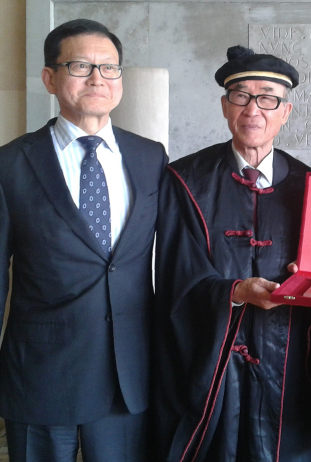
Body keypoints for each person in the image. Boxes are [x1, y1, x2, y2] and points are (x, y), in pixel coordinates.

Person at [152, 46, 311, 462]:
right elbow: (177, 275)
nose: (253, 109)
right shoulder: (185, 181)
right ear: (225, 105)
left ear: (286, 111)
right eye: (241, 96)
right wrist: (236, 291)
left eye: (268, 98)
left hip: (289, 361)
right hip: (212, 366)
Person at [0, 19, 168, 461]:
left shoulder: (150, 157)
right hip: (41, 374)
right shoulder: (11, 163)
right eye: (80, 66)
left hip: (127, 374)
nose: (98, 78)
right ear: (50, 78)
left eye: (109, 68)